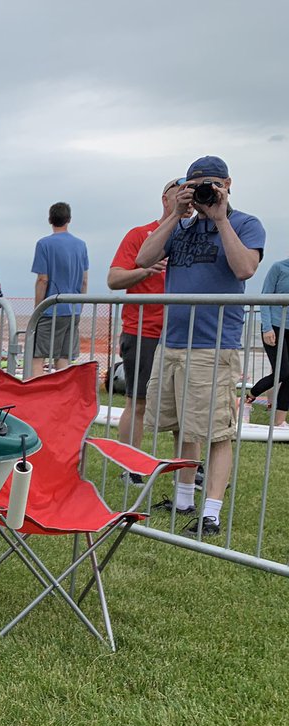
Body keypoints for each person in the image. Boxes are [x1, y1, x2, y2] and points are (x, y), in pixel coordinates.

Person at [136, 155, 265, 537]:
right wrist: (175, 214)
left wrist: (221, 217)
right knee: (181, 426)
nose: (205, 191)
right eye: (196, 185)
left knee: (216, 432)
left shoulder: (244, 223)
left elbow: (244, 269)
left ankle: (210, 512)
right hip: (172, 343)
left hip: (213, 345)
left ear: (228, 183)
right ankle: (182, 499)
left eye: (211, 184)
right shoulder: (181, 227)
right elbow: (144, 259)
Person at [106, 180, 179, 457]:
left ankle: (185, 471)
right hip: (143, 332)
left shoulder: (191, 238)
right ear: (165, 200)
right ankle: (129, 466)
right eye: (179, 196)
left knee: (182, 408)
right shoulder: (140, 235)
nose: (186, 203)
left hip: (181, 335)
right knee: (137, 402)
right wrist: (146, 271)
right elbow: (114, 279)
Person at [31, 202, 88, 369]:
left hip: (50, 311)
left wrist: (38, 308)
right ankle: (60, 394)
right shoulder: (81, 245)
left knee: (37, 357)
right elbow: (84, 281)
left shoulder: (44, 244)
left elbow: (43, 279)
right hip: (73, 310)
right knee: (64, 358)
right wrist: (79, 305)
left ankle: (37, 393)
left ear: (50, 220)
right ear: (69, 219)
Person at [249, 253, 289, 429]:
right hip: (274, 326)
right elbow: (265, 298)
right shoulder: (279, 268)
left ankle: (279, 421)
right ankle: (249, 396)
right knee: (283, 371)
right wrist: (266, 328)